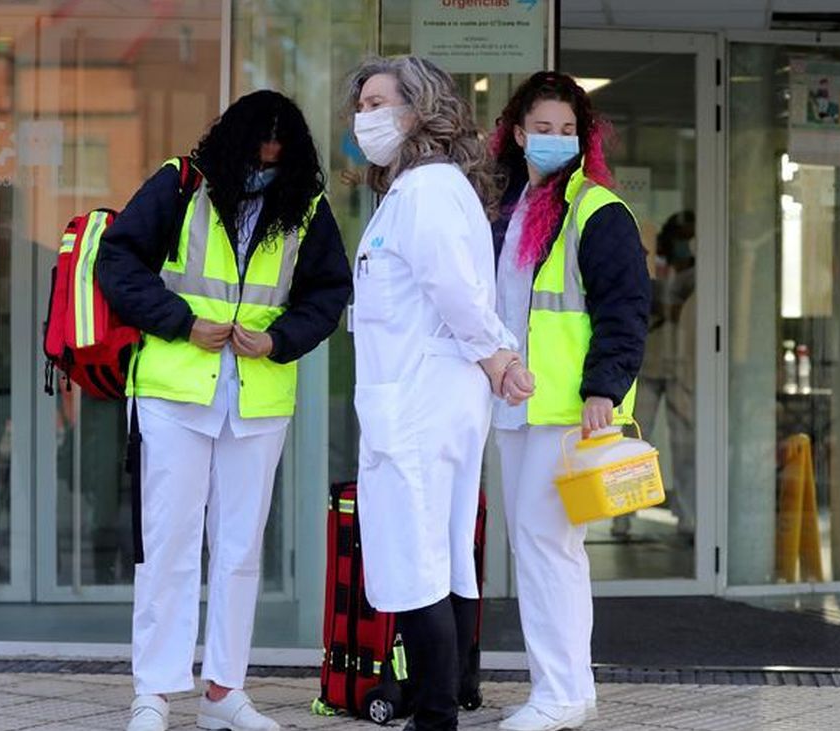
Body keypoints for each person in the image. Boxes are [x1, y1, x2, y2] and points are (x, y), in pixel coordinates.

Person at [96, 89, 352, 731]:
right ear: (233, 140)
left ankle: (223, 692)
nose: (268, 156)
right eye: (259, 143)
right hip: (174, 391)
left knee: (239, 549)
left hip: (258, 396)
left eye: (279, 146)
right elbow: (118, 263)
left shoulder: (307, 207)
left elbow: (327, 293)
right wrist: (181, 323)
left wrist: (279, 340)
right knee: (168, 544)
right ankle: (153, 692)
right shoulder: (181, 184)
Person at [346, 55, 523, 731]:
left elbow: (457, 292)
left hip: (421, 403)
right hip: (423, 397)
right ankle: (443, 696)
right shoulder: (417, 190)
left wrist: (497, 354)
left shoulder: (426, 191)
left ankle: (434, 712)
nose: (365, 117)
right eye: (360, 106)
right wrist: (494, 354)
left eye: (378, 102)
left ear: (418, 110)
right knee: (438, 554)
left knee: (418, 557)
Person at [487, 71, 649, 731]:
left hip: (567, 410)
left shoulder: (596, 208)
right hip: (518, 406)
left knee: (545, 544)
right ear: (518, 133)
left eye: (567, 130)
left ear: (582, 138)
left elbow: (627, 310)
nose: (555, 140)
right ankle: (571, 689)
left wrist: (602, 390)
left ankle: (557, 693)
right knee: (545, 548)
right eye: (543, 129)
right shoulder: (511, 208)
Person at [614, 210, 696, 541]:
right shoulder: (649, 265)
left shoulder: (695, 275)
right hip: (646, 367)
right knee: (633, 443)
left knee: (685, 444)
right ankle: (622, 515)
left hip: (680, 367)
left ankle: (689, 516)